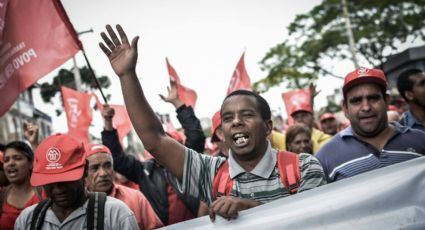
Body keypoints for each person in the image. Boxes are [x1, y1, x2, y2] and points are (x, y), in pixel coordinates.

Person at [98, 24, 326, 221]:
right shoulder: (210, 173)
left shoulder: (303, 168)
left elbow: (321, 221)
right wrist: (127, 75)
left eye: (246, 115)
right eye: (227, 118)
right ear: (222, 133)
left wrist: (252, 210)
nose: (236, 122)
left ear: (268, 127)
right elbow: (155, 140)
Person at [316, 67, 425, 183]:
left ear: (387, 101)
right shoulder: (325, 158)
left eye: (373, 98)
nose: (366, 107)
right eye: (356, 101)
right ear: (345, 108)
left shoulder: (420, 140)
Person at [101, 103, 202, 225]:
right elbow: (117, 159)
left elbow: (196, 136)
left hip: (199, 225)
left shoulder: (186, 162)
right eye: (158, 142)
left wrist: (179, 105)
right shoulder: (144, 171)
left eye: (167, 141)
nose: (162, 146)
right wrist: (108, 122)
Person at [15, 133, 138, 229]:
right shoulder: (27, 219)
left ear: (85, 170)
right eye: (50, 182)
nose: (59, 189)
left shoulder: (115, 214)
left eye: (65, 180)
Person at [85, 143, 163, 229]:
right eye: (94, 168)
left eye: (108, 166)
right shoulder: (77, 205)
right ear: (84, 173)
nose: (103, 173)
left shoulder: (135, 197)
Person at [0, 122, 43, 230]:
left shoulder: (43, 191)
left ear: (30, 163)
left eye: (17, 158)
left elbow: (42, 167)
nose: (11, 163)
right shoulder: (1, 196)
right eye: (6, 160)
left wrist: (34, 143)